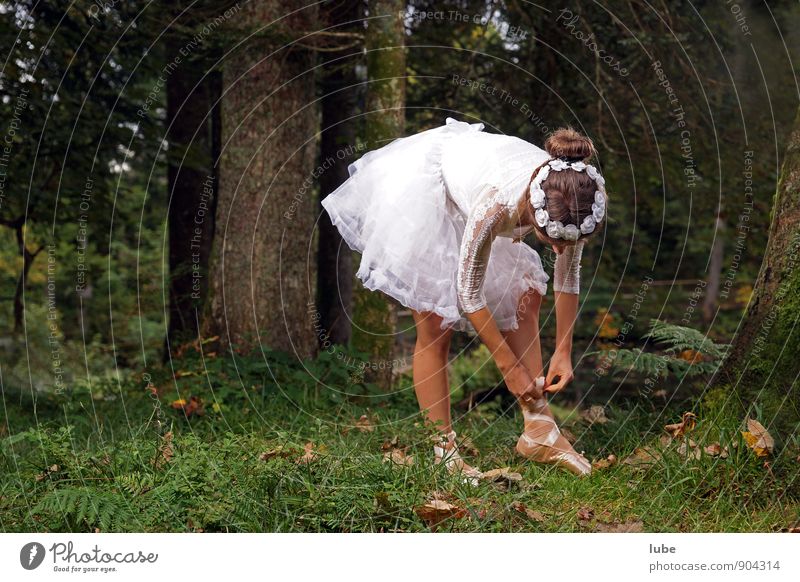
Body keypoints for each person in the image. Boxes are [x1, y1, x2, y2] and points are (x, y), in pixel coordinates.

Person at [321, 117, 607, 480]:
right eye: (550, 239)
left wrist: (564, 351)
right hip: (430, 185)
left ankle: (539, 429)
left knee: (528, 295)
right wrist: (510, 370)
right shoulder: (495, 207)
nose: (557, 249)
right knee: (435, 319)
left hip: (478, 181)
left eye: (565, 243)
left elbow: (568, 276)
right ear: (533, 212)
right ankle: (445, 452)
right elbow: (467, 292)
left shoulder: (577, 196)